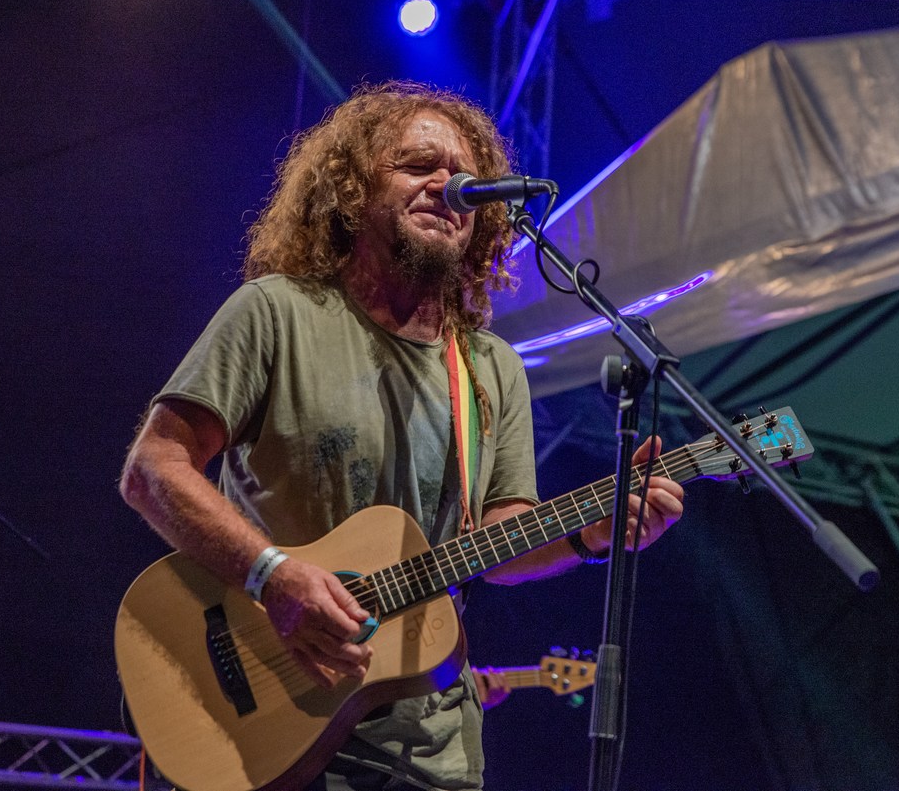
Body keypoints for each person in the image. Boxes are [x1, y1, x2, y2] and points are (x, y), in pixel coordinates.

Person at [119, 80, 685, 791]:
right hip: (269, 722)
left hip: (431, 752)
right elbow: (154, 467)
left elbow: (497, 540)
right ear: (353, 190)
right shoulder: (276, 313)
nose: (448, 187)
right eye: (419, 166)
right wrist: (273, 576)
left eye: (466, 179)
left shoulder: (489, 367)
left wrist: (590, 533)